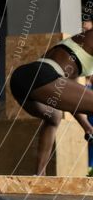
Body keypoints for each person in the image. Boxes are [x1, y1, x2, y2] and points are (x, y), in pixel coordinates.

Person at [10, 30, 93, 175]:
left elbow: (71, 101)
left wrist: (87, 127)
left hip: (21, 80)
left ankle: (39, 176)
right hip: (43, 76)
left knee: (54, 117)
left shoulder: (71, 59)